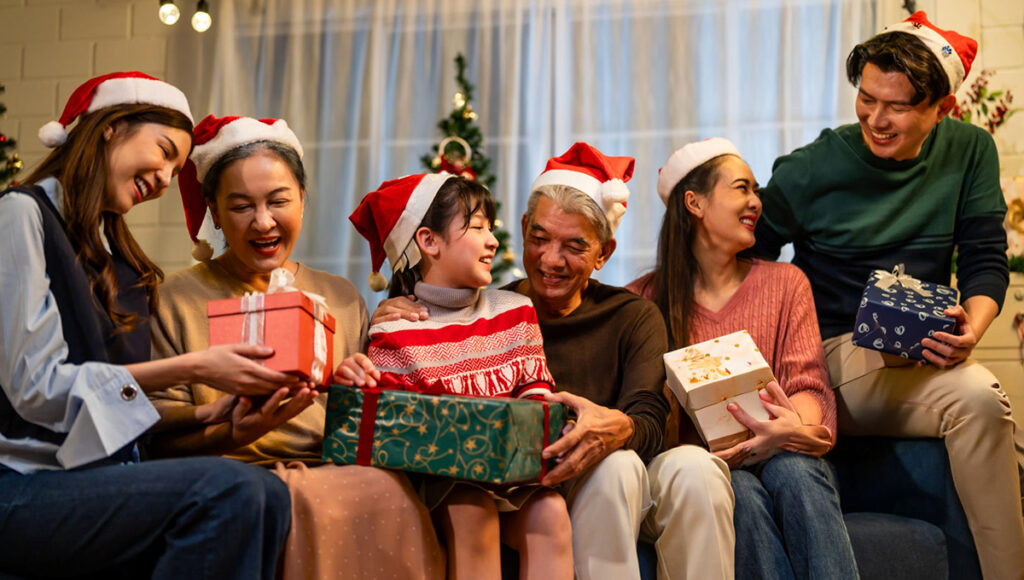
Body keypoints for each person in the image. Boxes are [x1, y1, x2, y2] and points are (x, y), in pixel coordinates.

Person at [373, 143, 735, 580]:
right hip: (540, 476)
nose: (549, 260)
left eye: (574, 246)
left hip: (624, 467)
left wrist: (619, 427)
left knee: (694, 468)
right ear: (524, 228)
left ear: (603, 253)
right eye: (539, 238)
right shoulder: (494, 308)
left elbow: (650, 418)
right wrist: (394, 309)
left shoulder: (632, 315)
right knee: (612, 468)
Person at [750, 11, 1024, 578]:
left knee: (983, 405)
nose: (876, 117)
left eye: (896, 106)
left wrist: (972, 326)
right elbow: (742, 260)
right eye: (866, 97)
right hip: (825, 357)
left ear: (942, 109)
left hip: (912, 353)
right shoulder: (813, 167)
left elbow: (982, 256)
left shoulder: (969, 151)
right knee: (976, 396)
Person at [0, 72, 293, 579]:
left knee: (269, 493)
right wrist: (197, 366)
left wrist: (213, 418)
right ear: (111, 127)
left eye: (176, 168)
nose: (164, 179)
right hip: (21, 484)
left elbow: (110, 407)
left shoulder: (120, 262)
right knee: (231, 490)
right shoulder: (19, 215)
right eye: (163, 152)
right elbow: (37, 390)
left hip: (88, 477)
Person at [145, 115, 444, 580]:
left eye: (278, 201)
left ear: (302, 200)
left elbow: (369, 422)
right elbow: (155, 433)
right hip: (227, 477)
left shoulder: (341, 297)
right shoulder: (175, 298)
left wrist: (364, 374)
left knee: (389, 489)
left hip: (336, 471)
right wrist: (234, 429)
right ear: (214, 210)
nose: (262, 222)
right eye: (241, 206)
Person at [628, 138, 857, 579]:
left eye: (757, 191)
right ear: (694, 203)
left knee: (794, 470)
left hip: (791, 454)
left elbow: (807, 382)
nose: (756, 202)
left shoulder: (786, 283)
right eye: (742, 188)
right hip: (709, 472)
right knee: (740, 491)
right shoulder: (643, 301)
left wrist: (788, 430)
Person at [338, 172, 573, 580]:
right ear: (429, 242)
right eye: (478, 227)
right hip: (441, 485)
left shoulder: (515, 311)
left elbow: (536, 395)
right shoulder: (393, 332)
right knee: (471, 508)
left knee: (550, 510)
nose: (493, 240)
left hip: (513, 476)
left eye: (491, 228)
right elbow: (392, 429)